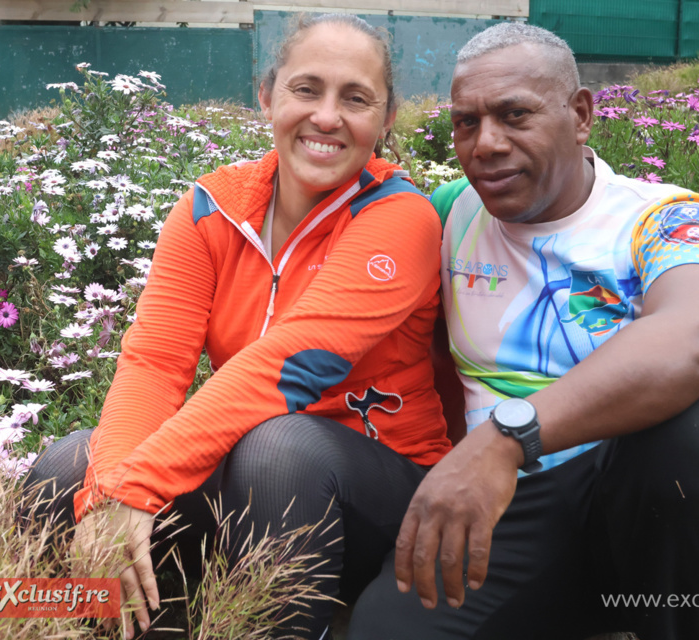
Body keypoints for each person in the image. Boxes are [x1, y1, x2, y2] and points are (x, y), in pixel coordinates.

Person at [25, 13, 452, 640]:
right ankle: (70, 625)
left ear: (386, 121)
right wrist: (110, 492)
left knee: (281, 447)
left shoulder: (401, 218)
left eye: (356, 99)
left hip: (384, 497)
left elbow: (293, 364)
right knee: (68, 467)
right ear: (267, 94)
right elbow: (154, 364)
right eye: (306, 89)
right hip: (253, 480)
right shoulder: (211, 207)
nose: (327, 117)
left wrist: (139, 486)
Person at [348, 22, 699, 640]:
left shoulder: (667, 217)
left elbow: (694, 336)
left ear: (580, 115)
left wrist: (505, 439)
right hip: (498, 516)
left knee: (693, 440)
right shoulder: (447, 212)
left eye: (515, 114)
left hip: (630, 506)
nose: (485, 143)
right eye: (466, 121)